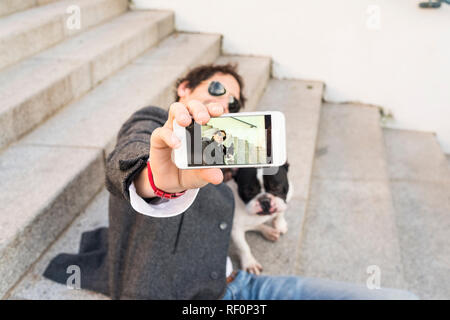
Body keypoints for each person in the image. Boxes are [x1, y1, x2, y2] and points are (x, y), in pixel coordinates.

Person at [43, 64, 419, 300]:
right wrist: (156, 181)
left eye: (235, 106)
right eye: (218, 91)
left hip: (241, 285)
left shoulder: (226, 164)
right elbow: (125, 160)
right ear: (186, 88)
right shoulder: (153, 122)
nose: (225, 107)